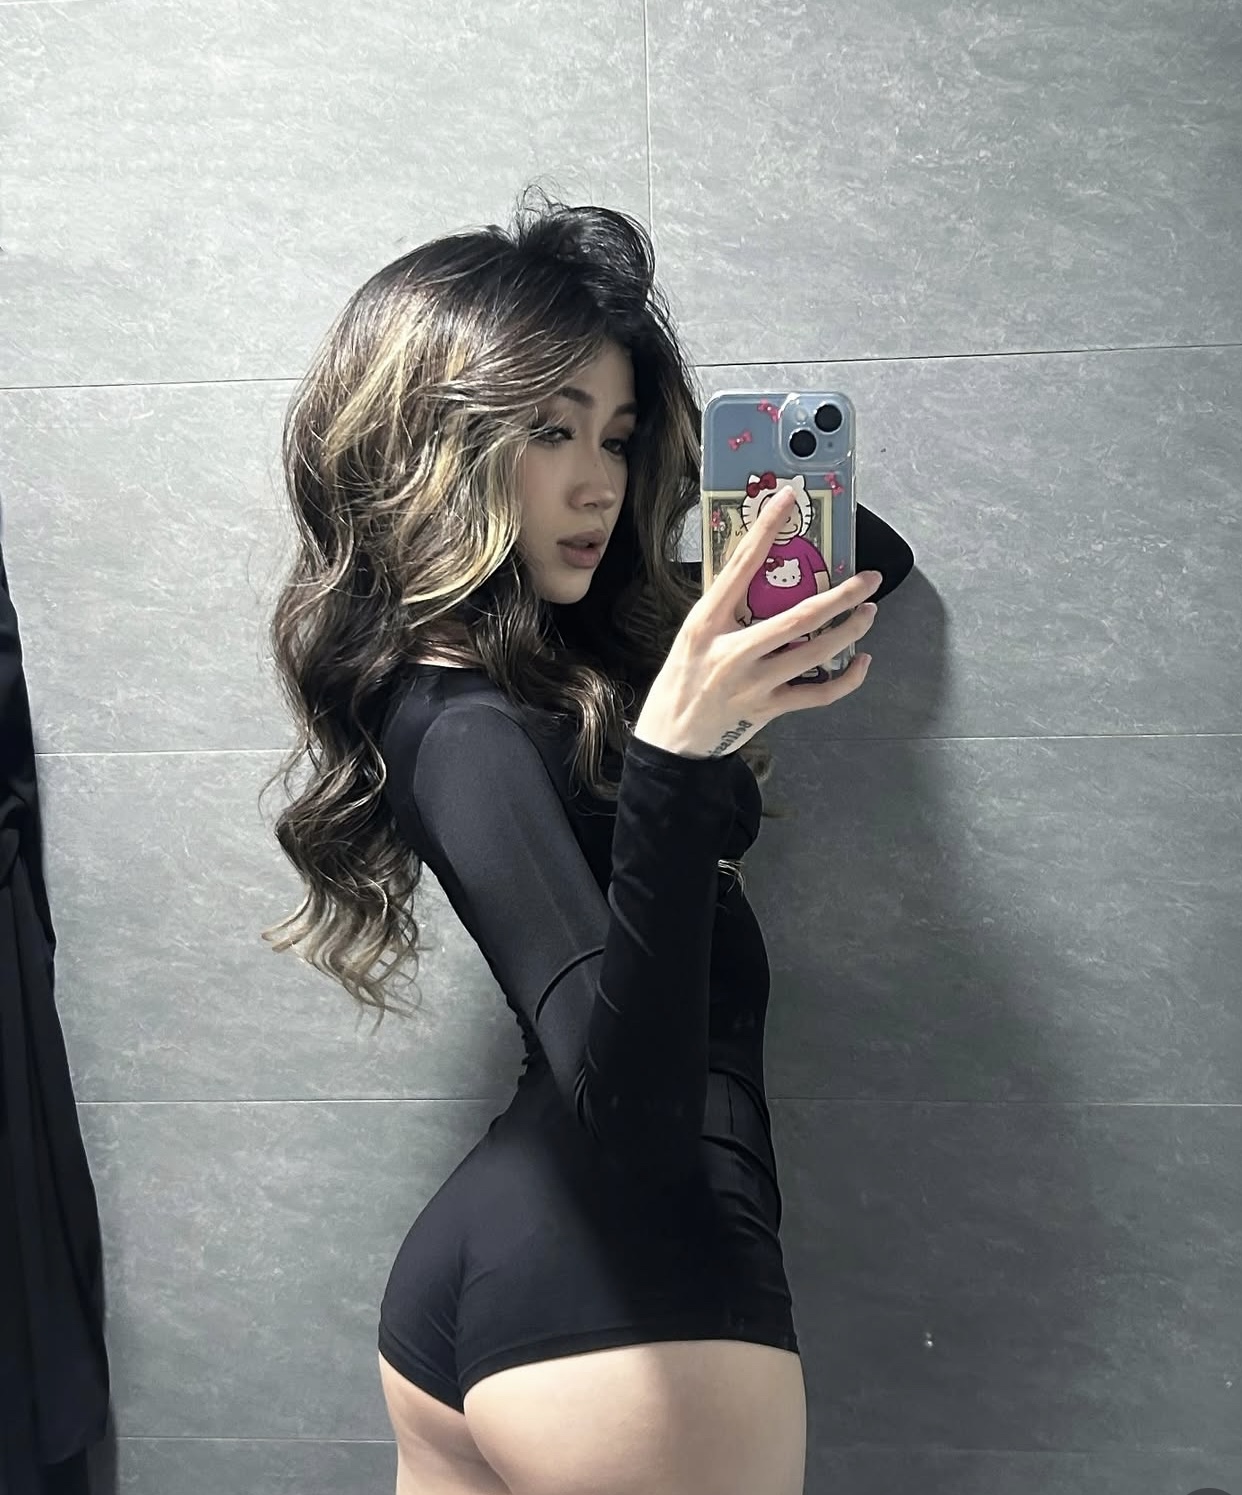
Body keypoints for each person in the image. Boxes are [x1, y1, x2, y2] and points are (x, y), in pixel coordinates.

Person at [260, 188, 913, 1495]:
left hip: (512, 1282)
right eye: (550, 431)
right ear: (435, 443)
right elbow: (635, 1120)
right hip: (635, 1308)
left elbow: (874, 560)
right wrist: (673, 758)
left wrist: (714, 504)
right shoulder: (460, 723)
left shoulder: (557, 664)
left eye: (618, 438)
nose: (598, 482)